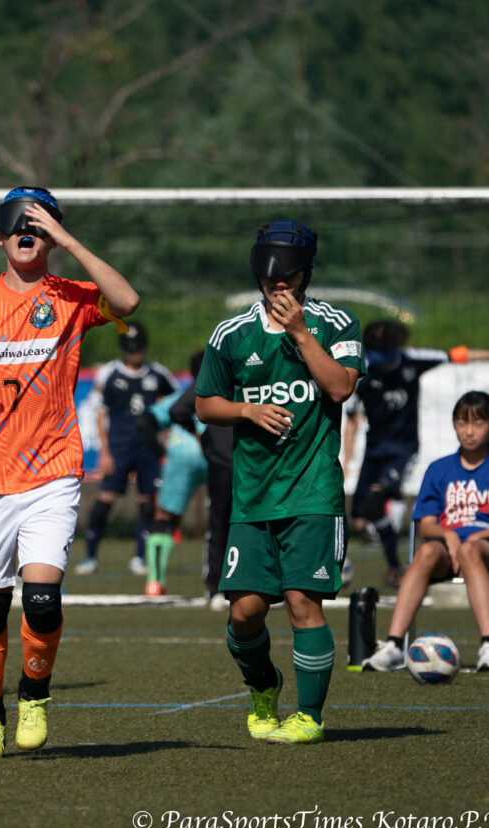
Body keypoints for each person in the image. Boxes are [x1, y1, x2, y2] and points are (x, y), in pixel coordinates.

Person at [0, 187, 139, 759]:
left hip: (53, 470)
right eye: (17, 224)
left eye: (39, 225)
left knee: (42, 599)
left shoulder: (71, 296)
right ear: (0, 236)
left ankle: (35, 696)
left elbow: (128, 300)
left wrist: (68, 240)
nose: (27, 233)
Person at [194, 219, 363, 746]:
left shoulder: (336, 323)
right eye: (269, 274)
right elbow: (205, 405)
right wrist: (247, 410)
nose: (277, 283)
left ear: (306, 272)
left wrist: (300, 334)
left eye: (287, 273)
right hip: (253, 497)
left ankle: (308, 716)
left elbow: (340, 388)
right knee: (244, 614)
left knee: (301, 602)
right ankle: (264, 686)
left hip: (313, 491)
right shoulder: (230, 334)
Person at [341, 320, 489, 589]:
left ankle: (395, 567)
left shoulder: (411, 359)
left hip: (403, 450)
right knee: (360, 518)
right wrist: (348, 456)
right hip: (374, 451)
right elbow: (352, 417)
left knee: (376, 496)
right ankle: (390, 523)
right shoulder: (361, 370)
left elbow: (458, 355)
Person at [362, 390, 489, 673]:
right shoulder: (439, 469)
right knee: (426, 551)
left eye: (478, 423)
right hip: (449, 550)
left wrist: (475, 538)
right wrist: (449, 534)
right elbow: (426, 525)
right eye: (462, 423)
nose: (469, 431)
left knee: (470, 550)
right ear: (454, 424)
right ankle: (394, 646)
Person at [76, 322, 176, 577]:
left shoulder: (158, 373)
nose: (134, 353)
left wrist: (165, 435)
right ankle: (90, 557)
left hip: (148, 450)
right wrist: (105, 451)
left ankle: (140, 558)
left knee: (147, 503)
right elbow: (101, 413)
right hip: (119, 447)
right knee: (104, 501)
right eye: (130, 348)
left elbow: (174, 402)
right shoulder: (109, 374)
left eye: (138, 347)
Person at [138, 351, 208, 597]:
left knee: (165, 517)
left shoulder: (181, 397)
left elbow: (144, 422)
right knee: (229, 517)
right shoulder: (227, 393)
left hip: (181, 453)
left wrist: (161, 453)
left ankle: (155, 582)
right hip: (217, 453)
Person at [168, 351, 234, 605]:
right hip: (254, 460)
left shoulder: (211, 376)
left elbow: (177, 411)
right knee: (259, 524)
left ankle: (215, 587)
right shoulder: (251, 368)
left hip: (222, 462)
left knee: (219, 524)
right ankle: (264, 586)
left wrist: (202, 434)